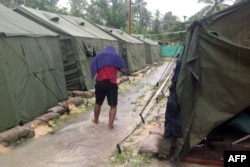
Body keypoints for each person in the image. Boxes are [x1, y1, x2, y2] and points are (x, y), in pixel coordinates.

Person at [90, 45, 127, 129]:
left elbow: (93, 67)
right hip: (111, 84)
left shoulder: (99, 56)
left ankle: (96, 121)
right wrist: (117, 67)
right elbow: (123, 70)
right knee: (113, 105)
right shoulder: (116, 57)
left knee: (98, 103)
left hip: (100, 83)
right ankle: (110, 126)